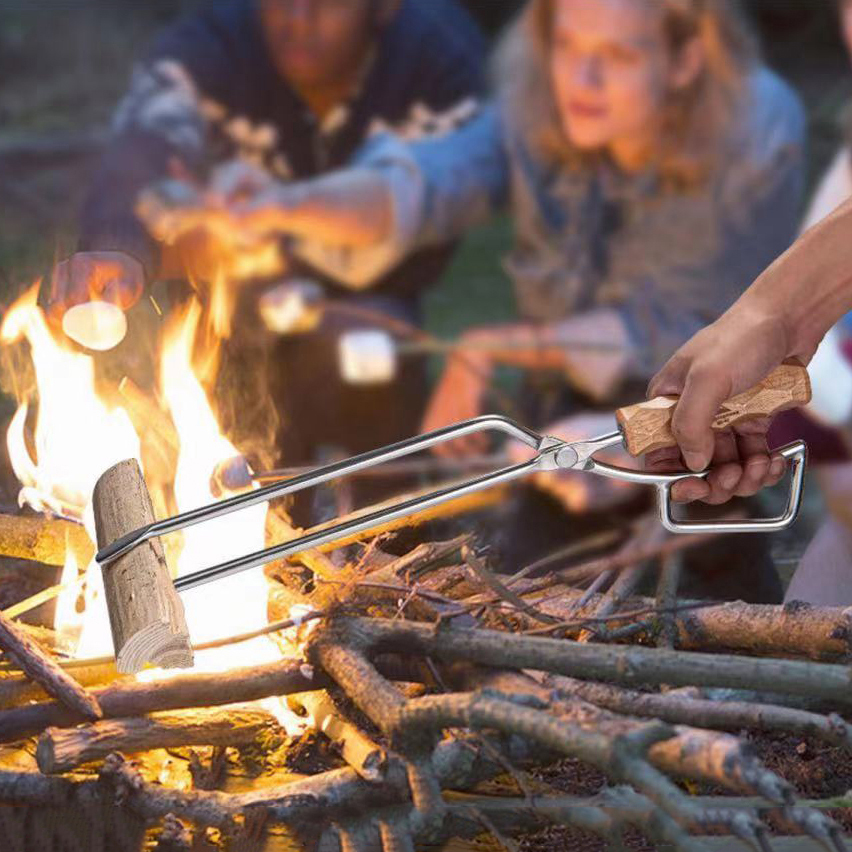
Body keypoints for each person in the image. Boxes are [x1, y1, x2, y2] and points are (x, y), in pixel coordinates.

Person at [203, 0, 806, 596]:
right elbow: (427, 184)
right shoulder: (537, 110)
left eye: (618, 55)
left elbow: (694, 322)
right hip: (565, 411)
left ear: (684, 60)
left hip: (717, 404)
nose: (582, 78)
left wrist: (499, 347)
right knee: (531, 601)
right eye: (568, 46)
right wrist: (293, 204)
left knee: (727, 613)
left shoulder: (756, 124)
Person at [46, 0, 486, 520]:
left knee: (375, 371)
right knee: (237, 447)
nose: (298, 19)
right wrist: (117, 243)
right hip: (228, 305)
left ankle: (393, 553)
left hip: (364, 303)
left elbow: (435, 208)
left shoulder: (434, 56)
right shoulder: (214, 45)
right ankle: (256, 552)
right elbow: (144, 144)